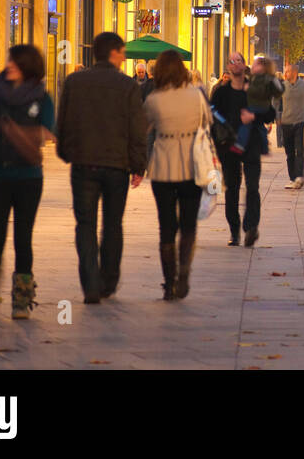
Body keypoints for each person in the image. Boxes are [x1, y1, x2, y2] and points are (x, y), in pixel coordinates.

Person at [56, 32, 147, 303]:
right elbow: (137, 129)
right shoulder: (127, 86)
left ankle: (91, 283)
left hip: (84, 164)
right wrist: (138, 164)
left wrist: (66, 152)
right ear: (114, 53)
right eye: (122, 52)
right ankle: (109, 280)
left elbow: (64, 122)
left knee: (85, 223)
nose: (125, 57)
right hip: (116, 166)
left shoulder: (74, 82)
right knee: (112, 224)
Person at [0, 44, 55, 319]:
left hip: (29, 175)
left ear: (29, 64)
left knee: (23, 237)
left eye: (16, 61)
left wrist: (27, 133)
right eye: (10, 61)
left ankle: (21, 297)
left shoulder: (41, 96)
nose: (10, 65)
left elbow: (50, 132)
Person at [143, 50, 211, 300]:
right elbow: (208, 123)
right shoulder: (197, 96)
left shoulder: (153, 99)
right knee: (189, 224)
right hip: (191, 165)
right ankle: (184, 273)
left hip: (163, 165)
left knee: (166, 225)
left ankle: (169, 282)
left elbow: (143, 128)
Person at [211, 51, 275, 247]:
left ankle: (251, 227)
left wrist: (254, 116)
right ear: (228, 68)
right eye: (232, 61)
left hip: (251, 144)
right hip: (228, 147)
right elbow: (212, 116)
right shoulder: (221, 92)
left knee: (253, 187)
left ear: (244, 65)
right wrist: (218, 144)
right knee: (232, 189)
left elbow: (270, 113)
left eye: (239, 60)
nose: (235, 63)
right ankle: (234, 231)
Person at [279, 63, 304, 189]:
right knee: (289, 152)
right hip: (286, 122)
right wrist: (277, 115)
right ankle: (292, 178)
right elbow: (275, 101)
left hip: (301, 122)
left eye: (288, 71)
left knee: (299, 151)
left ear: (295, 72)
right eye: (285, 71)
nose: (286, 74)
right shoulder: (282, 86)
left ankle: (298, 177)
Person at [230, 57, 280, 155]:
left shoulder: (262, 80)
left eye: (255, 64)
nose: (252, 66)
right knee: (258, 126)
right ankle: (264, 146)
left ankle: (242, 145)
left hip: (256, 108)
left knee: (250, 125)